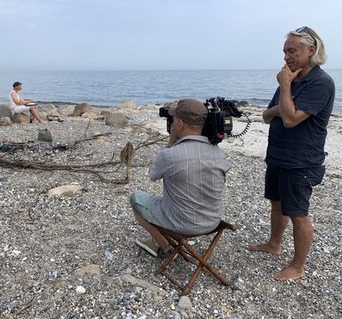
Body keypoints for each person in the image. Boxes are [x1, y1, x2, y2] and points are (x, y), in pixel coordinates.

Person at [248, 27, 335, 281]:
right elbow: (266, 116)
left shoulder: (320, 82)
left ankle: (297, 267)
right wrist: (283, 104)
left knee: (298, 213)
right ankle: (274, 244)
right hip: (277, 155)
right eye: (285, 51)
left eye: (292, 51)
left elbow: (291, 120)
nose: (286, 57)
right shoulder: (290, 77)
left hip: (301, 161)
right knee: (276, 203)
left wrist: (285, 88)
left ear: (311, 51)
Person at [130, 99, 232, 257]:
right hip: (212, 221)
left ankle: (163, 246)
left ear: (180, 124)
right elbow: (222, 180)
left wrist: (171, 141)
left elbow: (152, 175)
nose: (172, 123)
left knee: (136, 198)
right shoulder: (218, 153)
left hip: (182, 224)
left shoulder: (170, 155)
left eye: (174, 120)